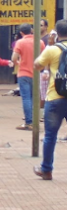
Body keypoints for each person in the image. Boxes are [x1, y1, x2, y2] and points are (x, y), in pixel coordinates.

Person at [32, 19, 67, 180]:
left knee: (50, 135)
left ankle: (46, 169)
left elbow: (37, 65)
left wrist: (50, 44)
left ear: (56, 33)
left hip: (55, 97)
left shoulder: (52, 49)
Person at [12, 23, 45, 130]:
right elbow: (44, 56)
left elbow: (14, 58)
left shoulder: (20, 42)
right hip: (36, 73)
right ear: (31, 30)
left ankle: (29, 122)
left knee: (26, 98)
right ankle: (35, 121)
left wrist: (19, 63)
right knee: (35, 98)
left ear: (21, 32)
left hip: (23, 73)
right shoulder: (39, 42)